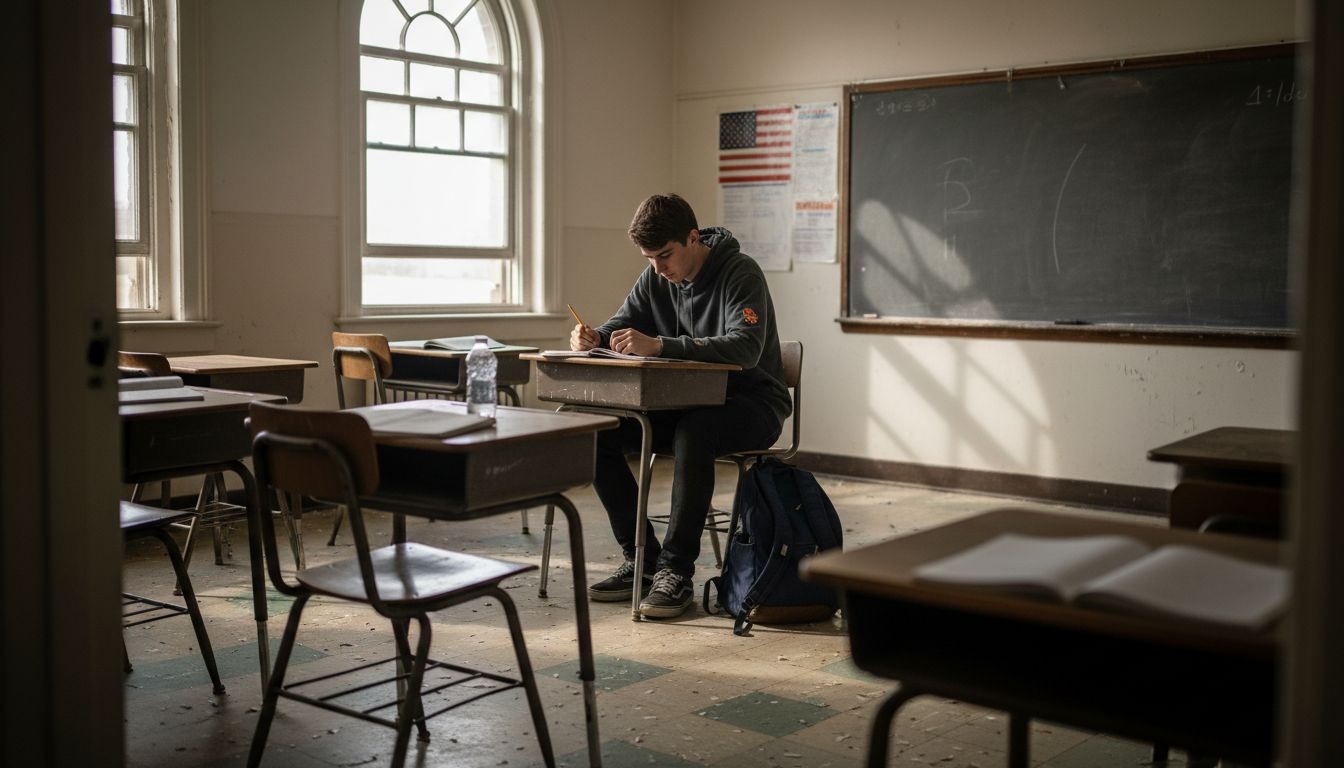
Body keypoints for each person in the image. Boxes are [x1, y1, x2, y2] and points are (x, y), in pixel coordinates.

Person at [571, 193, 792, 619]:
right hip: (688, 402)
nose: (658, 268)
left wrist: (659, 345)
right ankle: (645, 560)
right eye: (649, 258)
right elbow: (622, 322)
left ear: (693, 238)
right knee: (594, 428)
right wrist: (595, 338)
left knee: (697, 430)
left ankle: (677, 571)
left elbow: (745, 348)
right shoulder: (656, 277)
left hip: (753, 404)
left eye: (665, 256)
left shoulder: (739, 271)